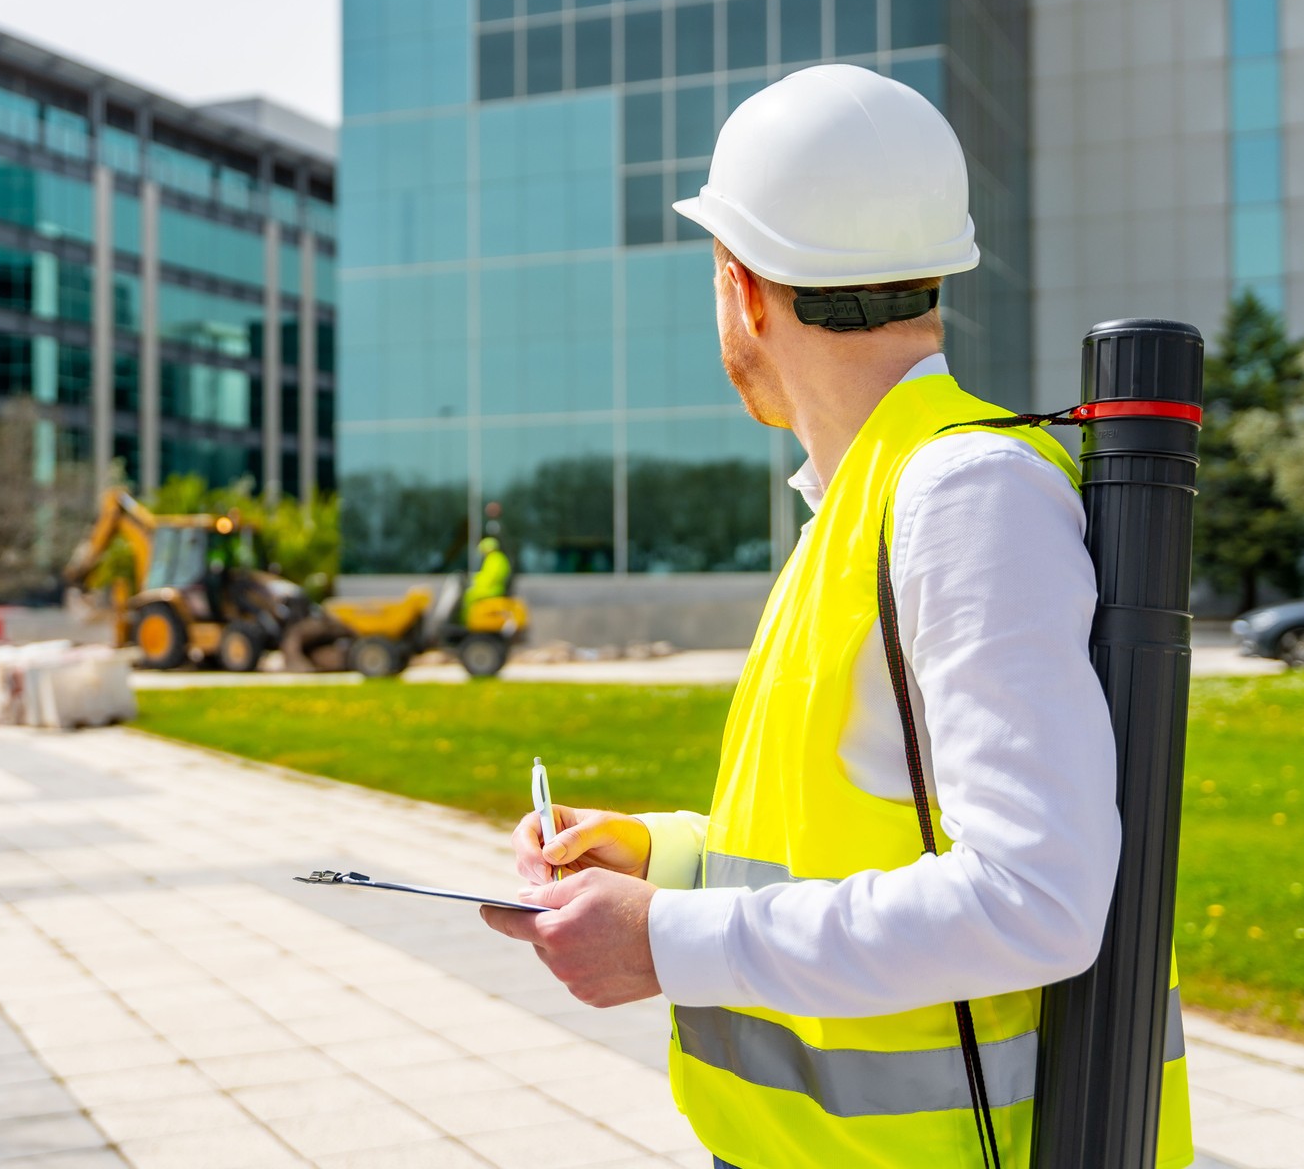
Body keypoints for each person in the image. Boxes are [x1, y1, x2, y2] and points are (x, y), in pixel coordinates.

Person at [480, 65, 1192, 1168]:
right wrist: (658, 855)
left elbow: (1033, 897)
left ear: (743, 285)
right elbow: (859, 832)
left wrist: (667, 941)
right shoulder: (867, 499)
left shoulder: (958, 496)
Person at [461, 534, 511, 620]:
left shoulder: (494, 558)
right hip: (493, 588)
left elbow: (490, 578)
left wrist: (475, 582)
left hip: (492, 590)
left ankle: (466, 621)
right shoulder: (496, 558)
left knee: (468, 597)